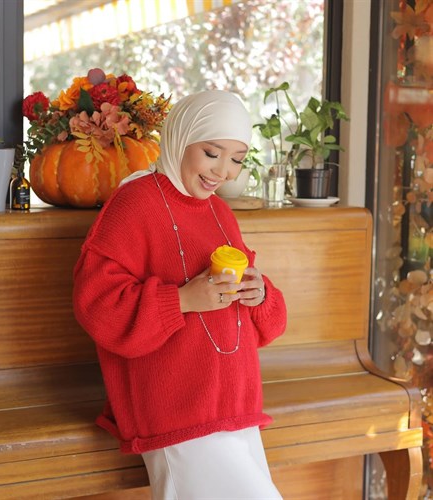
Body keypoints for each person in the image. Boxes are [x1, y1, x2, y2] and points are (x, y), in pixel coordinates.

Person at [73, 89, 287, 499]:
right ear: (181, 137)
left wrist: (260, 294)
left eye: (237, 159)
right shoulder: (133, 203)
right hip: (178, 410)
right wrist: (183, 301)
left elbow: (268, 326)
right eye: (212, 153)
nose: (223, 171)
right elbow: (96, 303)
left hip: (234, 405)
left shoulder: (219, 212)